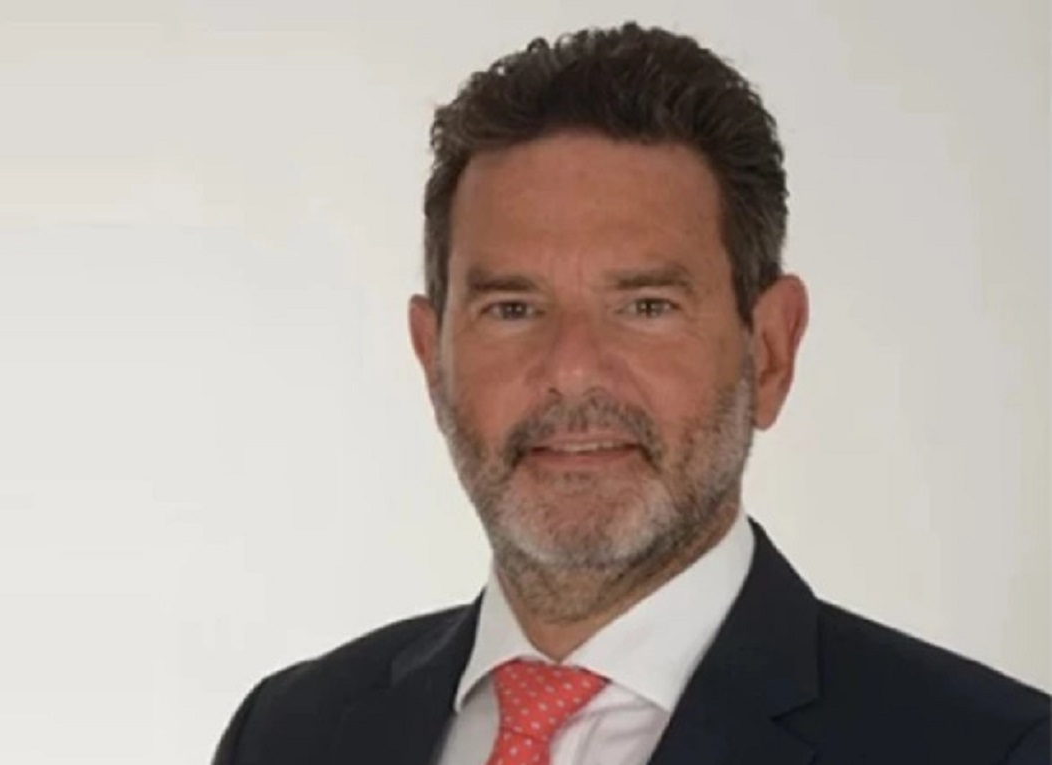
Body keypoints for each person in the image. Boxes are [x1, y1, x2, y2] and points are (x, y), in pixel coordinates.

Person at [211, 22, 1049, 765]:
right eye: (513, 308)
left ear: (769, 351)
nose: (573, 368)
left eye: (646, 306)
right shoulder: (287, 734)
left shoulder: (988, 748)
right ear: (432, 357)